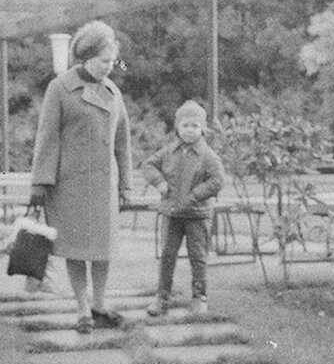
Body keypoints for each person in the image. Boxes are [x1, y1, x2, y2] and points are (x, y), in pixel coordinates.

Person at [28, 20, 133, 333]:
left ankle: (100, 304)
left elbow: (123, 143)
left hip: (103, 186)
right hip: (69, 185)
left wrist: (126, 184)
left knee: (102, 249)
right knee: (75, 248)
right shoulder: (60, 88)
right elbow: (47, 138)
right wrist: (39, 183)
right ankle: (82, 309)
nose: (109, 68)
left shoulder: (113, 93)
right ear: (86, 57)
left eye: (112, 62)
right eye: (104, 62)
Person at [142, 99, 226, 316]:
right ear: (177, 127)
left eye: (195, 126)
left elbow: (218, 180)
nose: (190, 130)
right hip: (171, 214)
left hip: (197, 216)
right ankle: (162, 298)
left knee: (198, 257)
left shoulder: (208, 156)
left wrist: (196, 195)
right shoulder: (169, 151)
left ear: (202, 128)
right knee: (167, 255)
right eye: (185, 125)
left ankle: (199, 297)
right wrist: (159, 183)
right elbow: (148, 165)